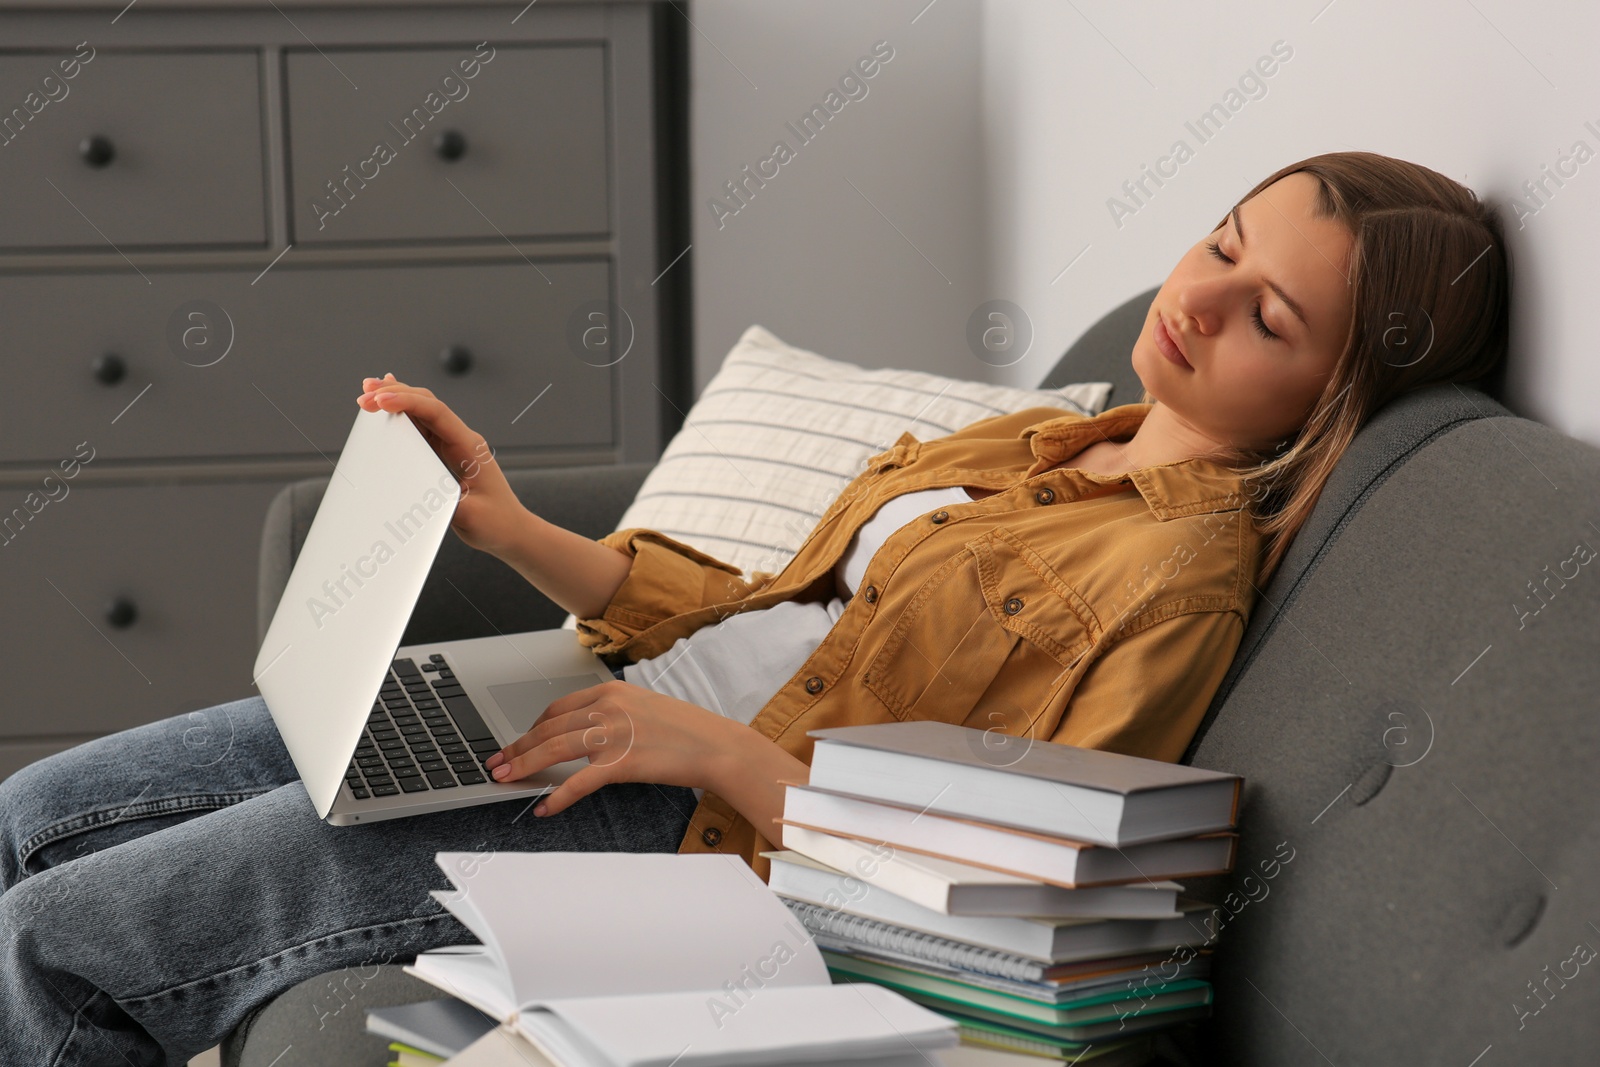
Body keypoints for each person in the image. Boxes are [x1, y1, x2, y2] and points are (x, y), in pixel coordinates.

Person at [0, 152, 1508, 1064]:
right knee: (42, 812)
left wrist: (713, 758)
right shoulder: (1060, 435)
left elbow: (1038, 882)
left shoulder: (1178, 581)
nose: (1206, 295)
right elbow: (755, 612)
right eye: (1226, 243)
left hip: (678, 829)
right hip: (594, 695)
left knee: (67, 941)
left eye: (1273, 318)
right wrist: (513, 525)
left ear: (1335, 395)